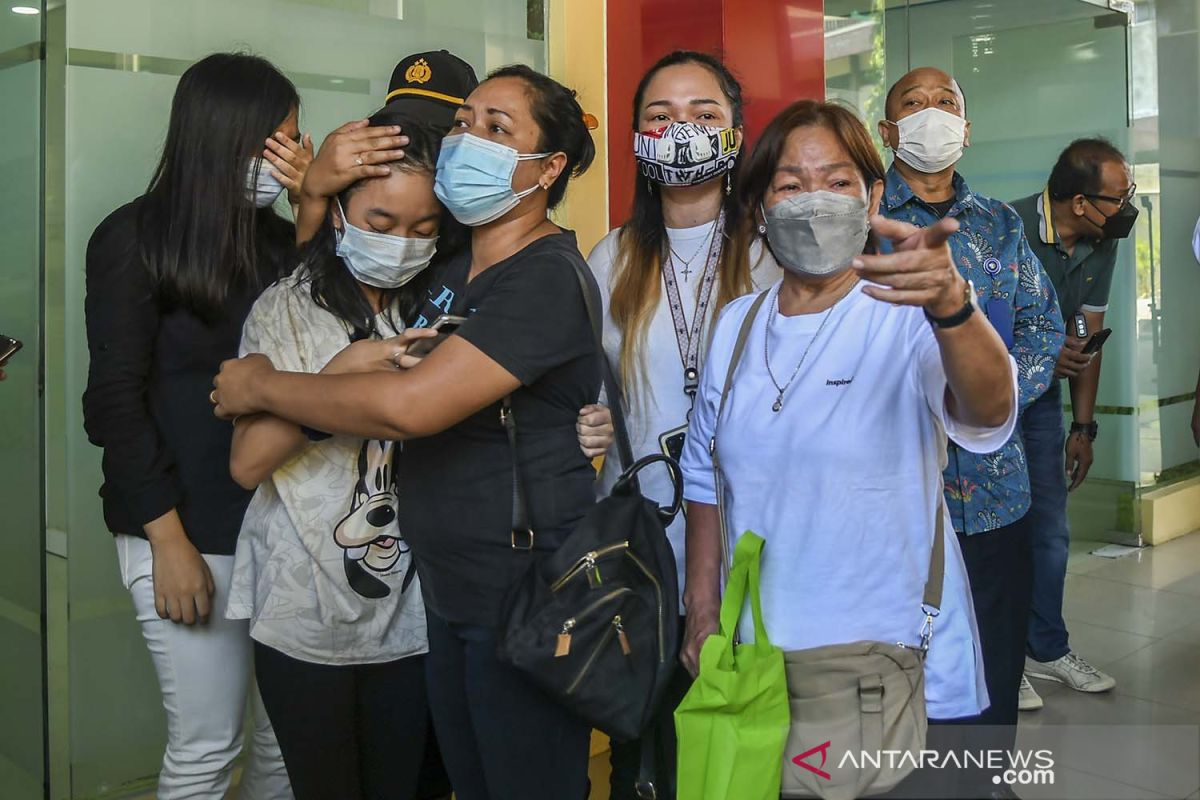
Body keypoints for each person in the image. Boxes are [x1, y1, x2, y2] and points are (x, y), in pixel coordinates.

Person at [211, 65, 601, 800]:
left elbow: (410, 408)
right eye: (465, 123)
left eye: (497, 127)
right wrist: (317, 190)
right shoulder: (457, 277)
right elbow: (252, 450)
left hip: (514, 596)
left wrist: (261, 384)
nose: (468, 140)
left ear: (550, 168)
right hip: (440, 600)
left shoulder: (533, 275)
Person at [678, 98, 1017, 796]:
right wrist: (702, 606)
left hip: (900, 670)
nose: (814, 202)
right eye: (790, 185)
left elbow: (988, 410)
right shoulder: (739, 326)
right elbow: (706, 476)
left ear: (874, 196)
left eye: (837, 182)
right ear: (761, 209)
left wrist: (953, 307)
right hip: (765, 665)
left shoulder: (907, 310)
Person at [82, 53, 307, 800]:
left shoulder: (283, 243)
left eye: (296, 140)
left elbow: (326, 361)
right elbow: (113, 402)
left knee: (285, 746)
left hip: (277, 527)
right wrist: (167, 543)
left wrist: (315, 209)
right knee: (207, 747)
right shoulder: (133, 239)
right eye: (279, 139)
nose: (290, 156)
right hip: (180, 527)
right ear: (226, 136)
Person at [225, 104, 453, 800]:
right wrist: (339, 379)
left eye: (423, 229)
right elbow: (247, 463)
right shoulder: (285, 308)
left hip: (412, 615)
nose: (402, 242)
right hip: (304, 613)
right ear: (342, 213)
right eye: (382, 223)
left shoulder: (441, 308)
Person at [587, 49, 778, 799]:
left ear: (736, 133)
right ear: (638, 139)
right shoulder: (613, 258)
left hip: (753, 538)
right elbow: (587, 391)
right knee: (653, 741)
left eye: (704, 115)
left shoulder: (771, 256)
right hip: (642, 545)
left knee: (744, 736)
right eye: (660, 117)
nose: (681, 131)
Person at [877, 68, 1063, 786]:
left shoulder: (1000, 224)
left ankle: (985, 781)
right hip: (896, 493)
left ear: (966, 127)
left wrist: (995, 398)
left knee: (992, 656)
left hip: (992, 494)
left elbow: (1045, 325)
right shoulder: (865, 216)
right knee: (898, 666)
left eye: (946, 104)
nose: (931, 116)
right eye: (913, 105)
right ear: (887, 131)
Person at [1011, 138, 1137, 707]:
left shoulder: (1100, 243)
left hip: (1040, 407)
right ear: (1082, 201)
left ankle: (1048, 646)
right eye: (1121, 196)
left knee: (1050, 530)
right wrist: (1036, 355)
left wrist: (1082, 428)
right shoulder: (1004, 229)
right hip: (983, 404)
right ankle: (1002, 656)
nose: (1129, 208)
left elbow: (1087, 337)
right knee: (992, 532)